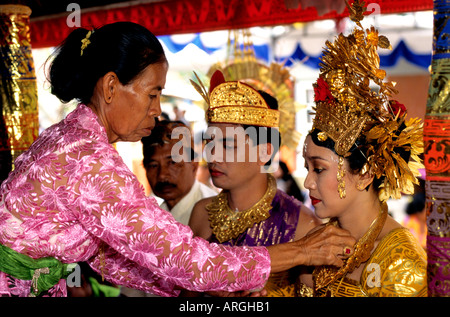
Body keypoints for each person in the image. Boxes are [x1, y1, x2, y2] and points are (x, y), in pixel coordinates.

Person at [0, 22, 356, 297]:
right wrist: (299, 253)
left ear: (265, 150)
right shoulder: (88, 161)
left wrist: (196, 288)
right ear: (111, 87)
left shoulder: (72, 137)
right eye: (153, 93)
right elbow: (186, 259)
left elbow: (114, 256)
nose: (157, 111)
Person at [297, 0, 427, 297]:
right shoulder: (314, 242)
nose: (307, 182)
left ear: (365, 173)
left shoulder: (403, 263)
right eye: (307, 168)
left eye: (319, 169)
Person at [188, 70, 322, 297]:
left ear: (263, 152)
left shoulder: (302, 225)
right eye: (210, 142)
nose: (213, 155)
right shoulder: (202, 213)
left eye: (228, 145)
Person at [142, 120, 217, 226]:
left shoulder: (212, 214)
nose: (162, 175)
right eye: (153, 165)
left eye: (173, 163)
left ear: (193, 165)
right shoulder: (156, 213)